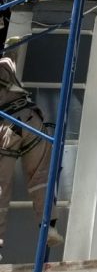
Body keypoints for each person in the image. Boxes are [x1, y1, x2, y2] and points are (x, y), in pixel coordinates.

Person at [0, 47, 63, 261]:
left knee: (1, 185)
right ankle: (49, 226)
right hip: (31, 119)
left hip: (8, 126)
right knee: (41, 176)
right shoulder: (6, 64)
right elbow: (12, 50)